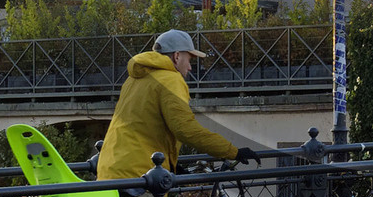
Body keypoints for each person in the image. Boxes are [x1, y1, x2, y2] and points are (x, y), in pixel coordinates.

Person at [96, 29, 260, 182]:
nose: (189, 67)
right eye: (189, 59)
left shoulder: (134, 78)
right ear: (176, 57)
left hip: (109, 169)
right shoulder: (170, 79)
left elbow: (144, 125)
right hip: (139, 176)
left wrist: (172, 165)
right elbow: (185, 129)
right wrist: (233, 152)